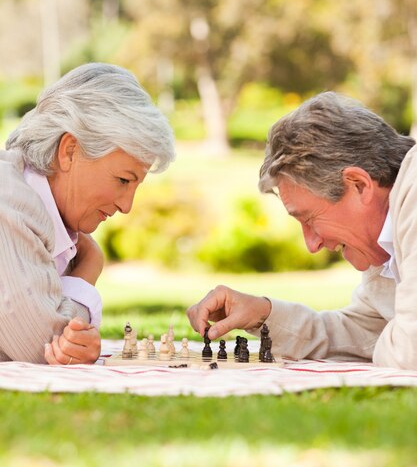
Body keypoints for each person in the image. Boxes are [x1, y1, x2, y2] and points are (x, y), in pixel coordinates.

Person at [187, 91, 417, 370]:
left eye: (309, 219)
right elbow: (359, 336)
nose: (312, 244)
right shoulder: (383, 239)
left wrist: (395, 338)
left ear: (359, 185)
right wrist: (262, 314)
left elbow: (409, 354)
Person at [1, 62, 175, 364]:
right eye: (123, 180)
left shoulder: (51, 216)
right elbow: (44, 349)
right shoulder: (9, 202)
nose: (126, 206)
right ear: (70, 150)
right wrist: (87, 270)